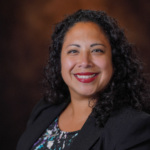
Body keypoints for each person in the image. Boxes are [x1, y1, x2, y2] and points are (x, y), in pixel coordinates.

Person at [17, 9, 150, 150]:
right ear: (59, 61)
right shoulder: (45, 108)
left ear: (114, 60)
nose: (85, 62)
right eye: (73, 51)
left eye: (97, 50)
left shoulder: (133, 127)